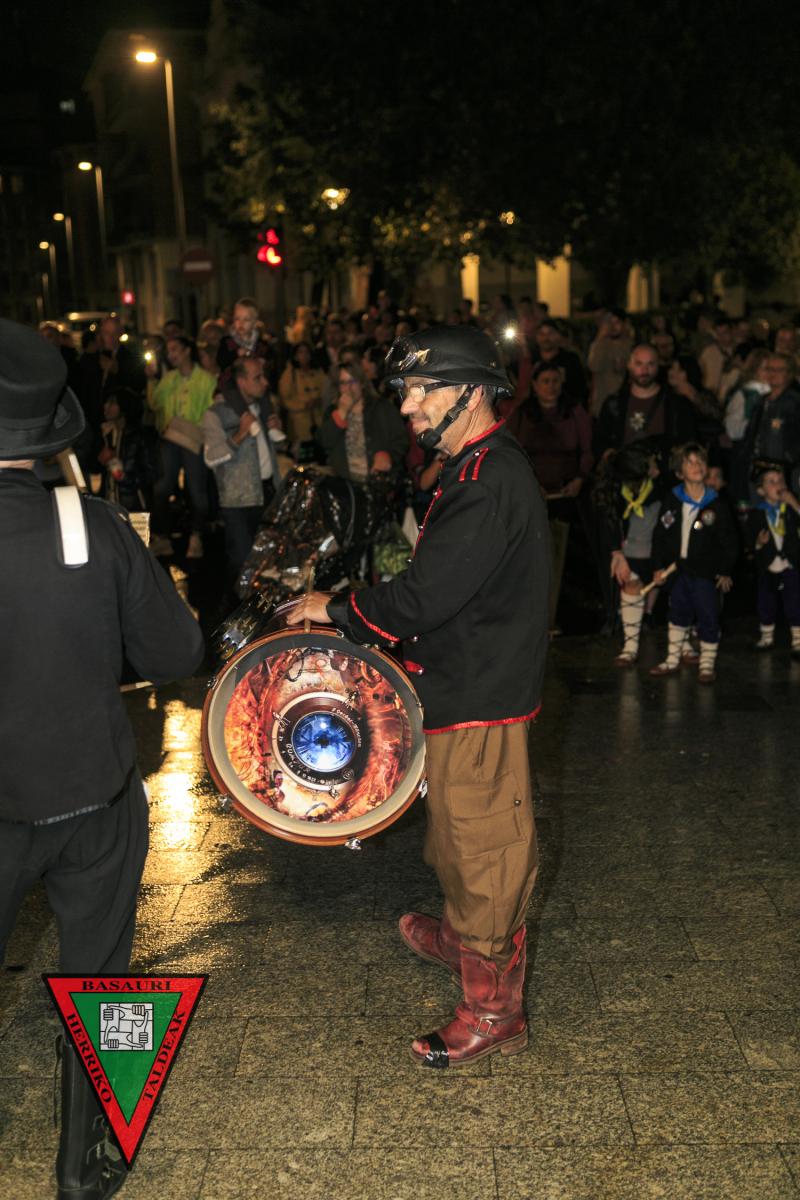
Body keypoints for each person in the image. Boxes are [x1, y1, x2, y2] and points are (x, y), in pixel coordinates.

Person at [287, 325, 549, 1068]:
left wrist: (337, 608)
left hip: (480, 696)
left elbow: (424, 598)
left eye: (419, 391)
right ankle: (463, 936)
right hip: (460, 682)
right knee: (455, 831)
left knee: (486, 848)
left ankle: (493, 1008)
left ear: (470, 393)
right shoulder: (476, 467)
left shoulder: (485, 482)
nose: (406, 407)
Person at [0, 319, 204, 1199]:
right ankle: (85, 1164)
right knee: (102, 975)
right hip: (93, 791)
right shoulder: (92, 524)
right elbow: (176, 652)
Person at [506, 360, 593, 629]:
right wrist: (531, 485)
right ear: (534, 385)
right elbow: (512, 452)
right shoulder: (523, 414)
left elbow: (587, 449)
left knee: (565, 560)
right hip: (534, 498)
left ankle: (563, 619)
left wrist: (579, 479)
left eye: (555, 381)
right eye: (545, 381)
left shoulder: (574, 411)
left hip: (568, 498)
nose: (551, 386)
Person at [650, 443, 738, 683]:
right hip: (678, 571)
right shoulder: (672, 500)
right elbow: (660, 536)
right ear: (680, 473)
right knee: (677, 613)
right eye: (690, 462)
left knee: (708, 615)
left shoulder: (716, 504)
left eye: (700, 461)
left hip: (705, 573)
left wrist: (725, 570)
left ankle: (707, 663)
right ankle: (672, 658)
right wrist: (658, 566)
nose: (697, 465)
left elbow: (730, 541)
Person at [202, 357, 286, 580]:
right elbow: (210, 457)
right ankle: (235, 600)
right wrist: (239, 435)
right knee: (242, 562)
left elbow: (275, 449)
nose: (265, 382)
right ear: (241, 382)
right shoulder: (216, 414)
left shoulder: (263, 407)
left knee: (269, 561)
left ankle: (261, 602)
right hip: (237, 501)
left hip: (267, 492)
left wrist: (278, 431)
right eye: (258, 377)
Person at [592, 439, 664, 666]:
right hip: (631, 553)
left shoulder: (661, 488)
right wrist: (617, 554)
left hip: (658, 552)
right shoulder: (615, 494)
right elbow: (610, 529)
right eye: (652, 465)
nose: (657, 469)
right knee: (631, 586)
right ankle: (630, 647)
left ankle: (680, 642)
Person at [148, 336, 217, 559]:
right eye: (169, 351)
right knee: (162, 488)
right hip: (171, 437)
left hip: (194, 438)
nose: (171, 355)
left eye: (175, 349)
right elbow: (155, 404)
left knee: (196, 490)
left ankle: (196, 537)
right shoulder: (170, 378)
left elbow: (212, 409)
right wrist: (151, 380)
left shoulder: (205, 379)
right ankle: (163, 538)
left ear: (187, 351)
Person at [594, 343, 697, 468]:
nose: (644, 370)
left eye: (650, 364)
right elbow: (599, 441)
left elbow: (687, 443)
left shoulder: (677, 404)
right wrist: (610, 456)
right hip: (624, 473)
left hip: (663, 473)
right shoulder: (613, 404)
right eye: (639, 364)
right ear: (629, 365)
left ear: (658, 365)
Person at [316, 360, 407, 483]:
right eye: (343, 383)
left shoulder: (382, 407)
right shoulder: (332, 411)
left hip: (378, 483)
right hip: (345, 484)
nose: (348, 388)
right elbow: (324, 443)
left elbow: (402, 439)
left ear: (362, 383)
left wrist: (388, 455)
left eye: (352, 381)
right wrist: (341, 413)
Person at [747, 462, 800, 657]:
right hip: (767, 565)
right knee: (766, 600)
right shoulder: (757, 513)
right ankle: (767, 636)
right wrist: (758, 542)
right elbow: (749, 539)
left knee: (794, 600)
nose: (778, 485)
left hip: (790, 563)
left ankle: (798, 639)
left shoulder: (791, 508)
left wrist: (793, 502)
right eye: (771, 482)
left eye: (780, 481)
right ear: (761, 491)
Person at [277, 341, 326, 450]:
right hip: (299, 424)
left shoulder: (318, 371)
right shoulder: (290, 374)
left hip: (319, 419)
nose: (304, 355)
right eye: (300, 352)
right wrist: (303, 405)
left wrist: (319, 400)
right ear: (295, 356)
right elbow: (285, 398)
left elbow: (326, 391)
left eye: (307, 352)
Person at [588, 307, 633, 416]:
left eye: (617, 322)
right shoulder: (598, 344)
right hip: (602, 402)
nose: (612, 326)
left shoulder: (631, 345)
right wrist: (600, 338)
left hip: (626, 401)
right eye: (609, 323)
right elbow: (593, 366)